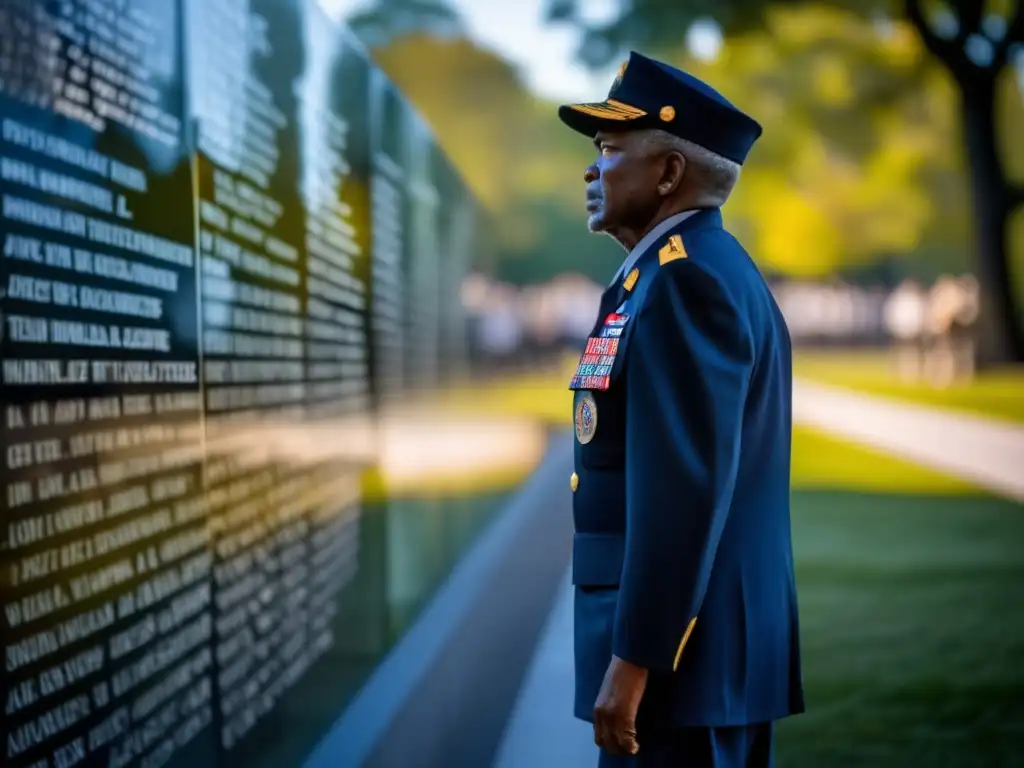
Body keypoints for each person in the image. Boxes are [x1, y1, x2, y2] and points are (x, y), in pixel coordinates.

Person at [558, 51, 804, 767]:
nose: (591, 169)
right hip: (698, 666)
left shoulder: (685, 282)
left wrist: (633, 663)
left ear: (668, 174)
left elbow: (683, 494)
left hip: (680, 672)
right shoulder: (684, 270)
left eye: (609, 150)